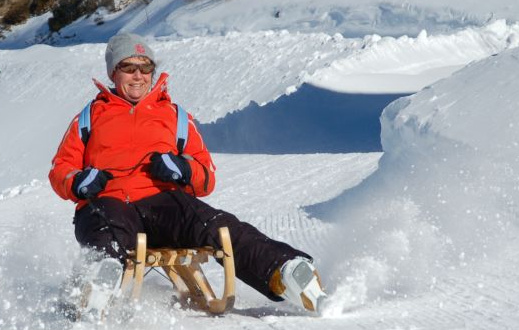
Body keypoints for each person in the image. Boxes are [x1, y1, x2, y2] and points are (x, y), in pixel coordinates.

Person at [49, 33, 326, 313]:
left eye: (146, 68)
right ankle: (97, 285)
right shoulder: (90, 116)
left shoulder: (174, 116)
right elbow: (61, 168)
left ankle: (283, 270)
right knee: (106, 231)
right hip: (109, 202)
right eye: (128, 67)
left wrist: (182, 169)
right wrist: (79, 182)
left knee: (214, 223)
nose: (138, 76)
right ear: (113, 72)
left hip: (162, 202)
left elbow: (206, 175)